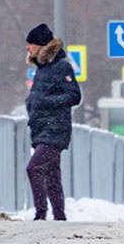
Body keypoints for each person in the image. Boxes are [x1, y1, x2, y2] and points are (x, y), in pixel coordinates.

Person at [24, 23, 81, 221]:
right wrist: (31, 104)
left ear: (40, 45)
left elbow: (74, 96)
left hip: (55, 129)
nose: (27, 48)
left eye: (30, 44)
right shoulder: (42, 69)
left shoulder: (61, 67)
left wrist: (44, 104)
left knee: (34, 168)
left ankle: (40, 214)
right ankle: (60, 217)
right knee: (52, 175)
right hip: (41, 129)